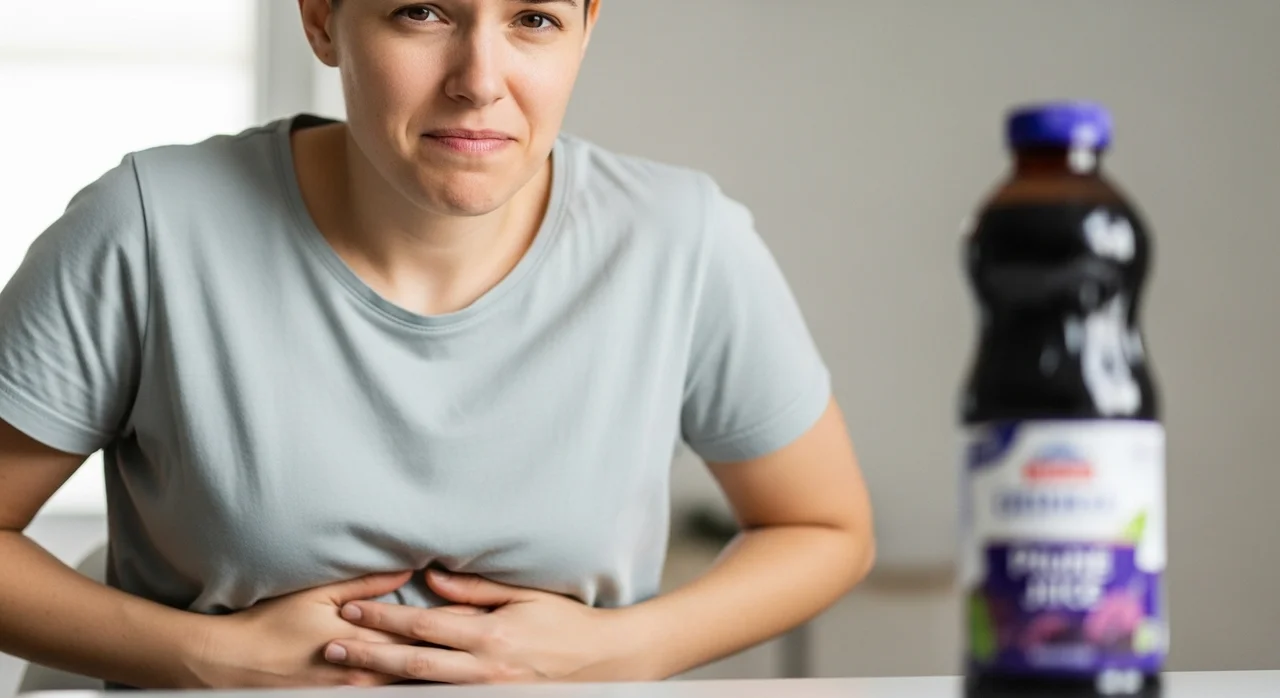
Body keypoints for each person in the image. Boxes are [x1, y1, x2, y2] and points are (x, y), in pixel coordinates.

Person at [0, 0, 875, 689]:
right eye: (422, 12)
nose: (479, 80)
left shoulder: (685, 241)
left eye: (533, 18)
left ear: (586, 28)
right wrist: (204, 658)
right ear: (321, 20)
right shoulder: (150, 225)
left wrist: (624, 650)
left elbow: (825, 526)